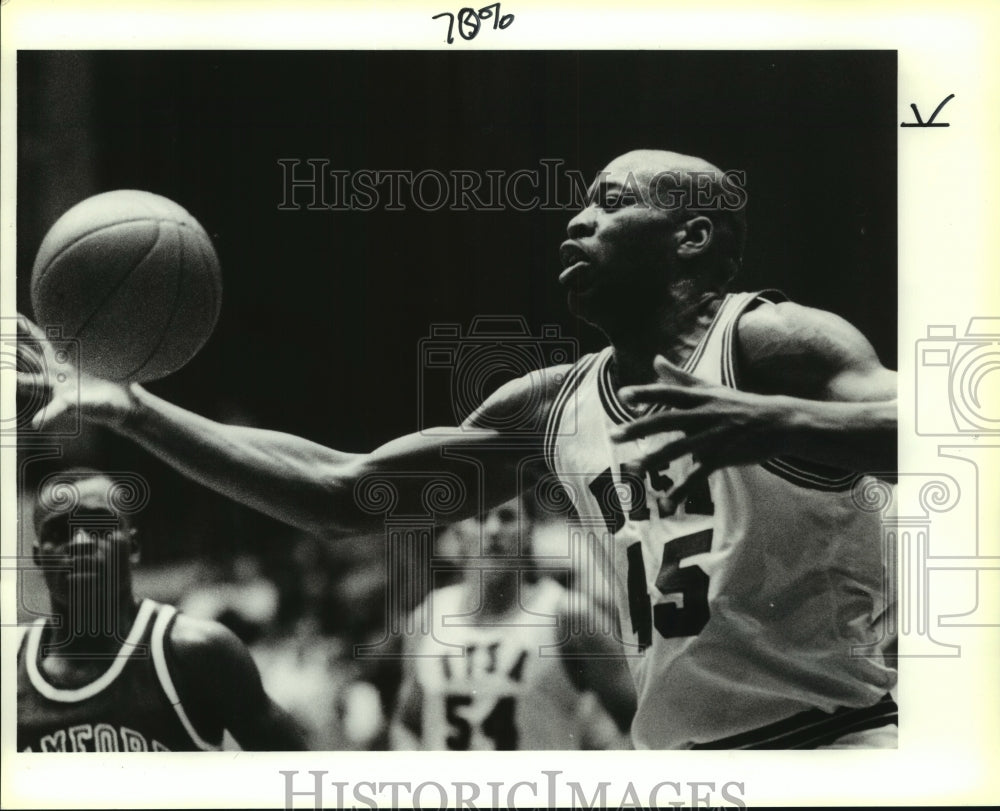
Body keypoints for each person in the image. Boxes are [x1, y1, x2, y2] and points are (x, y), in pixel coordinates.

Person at [17, 149, 898, 749]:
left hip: (832, 744)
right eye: (581, 199)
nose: (578, 216)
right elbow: (341, 491)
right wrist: (134, 409)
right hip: (684, 765)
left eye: (612, 200)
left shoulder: (773, 344)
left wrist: (775, 421)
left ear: (692, 238)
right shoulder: (552, 405)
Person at [17, 468, 307, 752]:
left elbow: (302, 778)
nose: (79, 543)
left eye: (99, 528)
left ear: (133, 547)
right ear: (38, 556)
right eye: (59, 532)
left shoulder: (199, 653)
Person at [390, 494, 635, 750]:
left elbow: (638, 721)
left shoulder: (566, 614)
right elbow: (407, 724)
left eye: (507, 517)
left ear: (529, 530)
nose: (493, 529)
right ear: (458, 533)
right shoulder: (428, 617)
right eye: (480, 518)